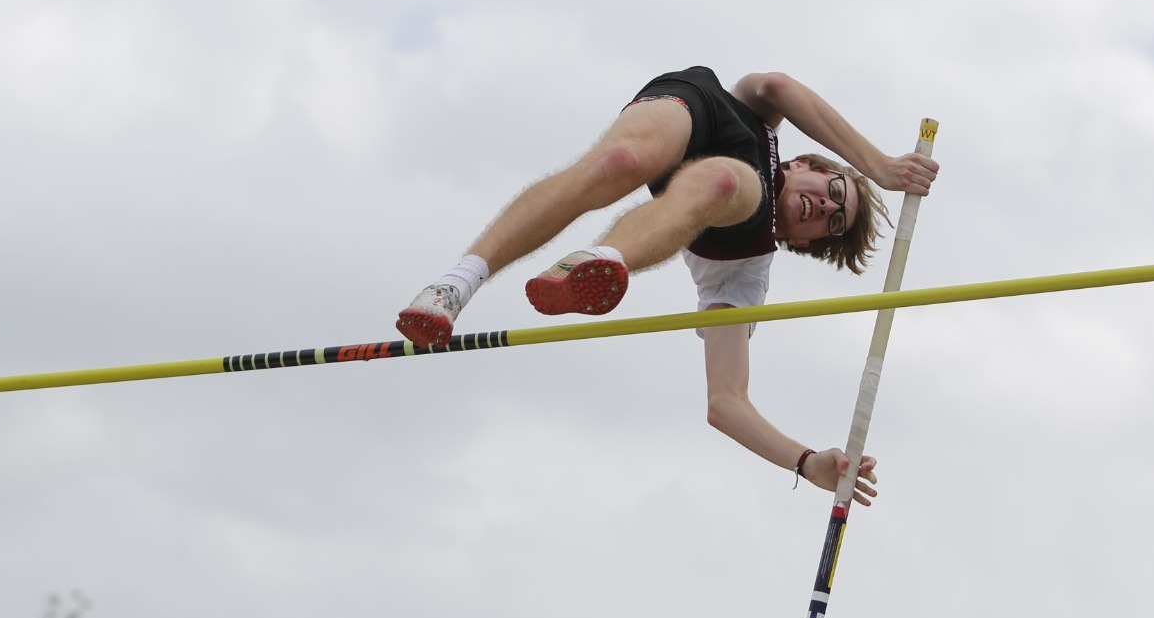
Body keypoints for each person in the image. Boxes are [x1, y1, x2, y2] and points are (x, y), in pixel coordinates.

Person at [394, 66, 938, 501]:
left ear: (803, 241)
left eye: (832, 223)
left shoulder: (745, 270)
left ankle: (604, 261)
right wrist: (879, 166)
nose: (825, 206)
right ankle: (454, 285)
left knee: (725, 180)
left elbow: (726, 402)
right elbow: (776, 85)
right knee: (618, 161)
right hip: (695, 105)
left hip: (727, 195)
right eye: (834, 190)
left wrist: (805, 461)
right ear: (805, 164)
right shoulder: (761, 118)